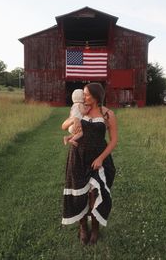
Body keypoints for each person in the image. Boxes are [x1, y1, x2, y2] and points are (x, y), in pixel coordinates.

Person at [61, 82, 117, 245]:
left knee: (95, 194)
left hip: (98, 158)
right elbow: (63, 126)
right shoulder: (79, 110)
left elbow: (114, 141)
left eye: (86, 94)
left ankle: (95, 228)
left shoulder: (107, 114)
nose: (83, 97)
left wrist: (101, 158)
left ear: (96, 96)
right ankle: (83, 228)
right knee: (79, 194)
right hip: (78, 158)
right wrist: (73, 120)